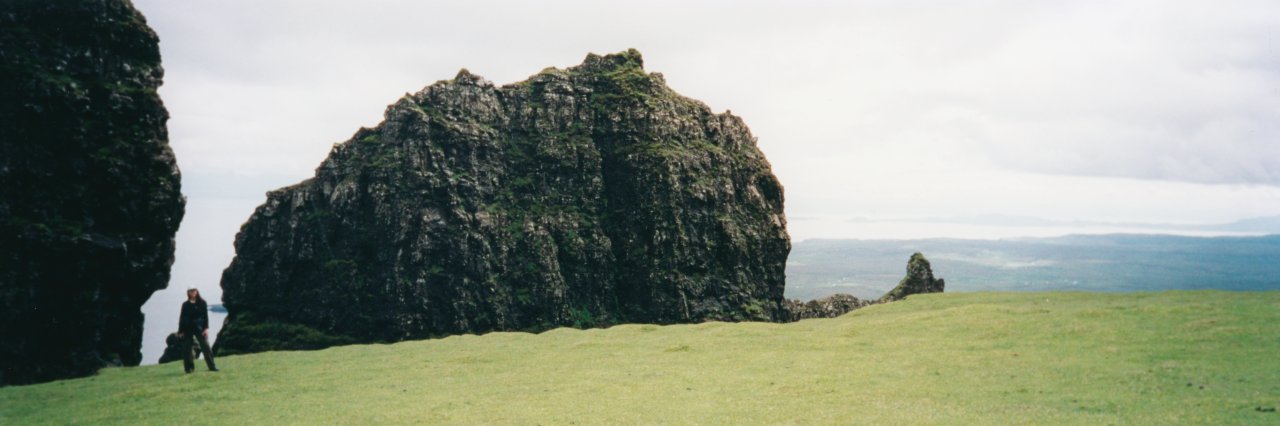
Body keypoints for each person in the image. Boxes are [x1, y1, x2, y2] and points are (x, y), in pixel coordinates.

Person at [178, 287, 218, 373]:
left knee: (206, 347)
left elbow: (205, 317)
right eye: (191, 291)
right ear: (188, 293)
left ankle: (212, 366)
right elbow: (182, 318)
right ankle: (189, 368)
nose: (193, 292)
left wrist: (206, 328)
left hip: (199, 328)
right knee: (187, 348)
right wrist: (180, 331)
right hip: (187, 328)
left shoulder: (202, 303)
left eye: (194, 291)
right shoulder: (185, 304)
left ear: (197, 292)